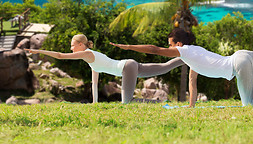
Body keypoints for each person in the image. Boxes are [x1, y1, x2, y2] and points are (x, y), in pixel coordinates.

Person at [110, 13, 253, 107]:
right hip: (243, 57)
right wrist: (191, 106)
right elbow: (192, 82)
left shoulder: (184, 51)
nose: (169, 48)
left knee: (251, 104)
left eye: (170, 44)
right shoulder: (195, 53)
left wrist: (129, 46)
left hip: (238, 64)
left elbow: (155, 50)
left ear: (177, 44)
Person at [25, 34, 184, 104]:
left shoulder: (87, 54)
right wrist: (95, 103)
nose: (71, 49)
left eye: (73, 46)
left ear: (81, 45)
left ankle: (158, 103)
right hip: (129, 65)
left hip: (126, 68)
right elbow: (95, 84)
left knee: (127, 102)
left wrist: (39, 51)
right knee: (164, 67)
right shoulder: (91, 60)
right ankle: (186, 58)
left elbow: (60, 56)